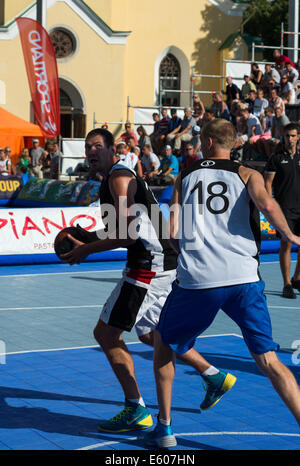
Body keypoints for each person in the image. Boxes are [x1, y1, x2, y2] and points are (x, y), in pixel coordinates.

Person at [60, 127, 235, 434]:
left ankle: (135, 408)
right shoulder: (115, 178)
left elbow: (127, 236)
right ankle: (213, 375)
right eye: (88, 147)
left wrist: (85, 249)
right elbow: (128, 228)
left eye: (97, 146)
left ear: (112, 150)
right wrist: (90, 237)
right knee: (149, 334)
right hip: (160, 262)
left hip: (148, 266)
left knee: (106, 334)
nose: (91, 151)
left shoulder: (118, 178)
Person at [145, 119, 300, 448]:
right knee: (270, 360)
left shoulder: (185, 176)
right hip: (244, 278)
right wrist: (290, 235)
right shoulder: (248, 174)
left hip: (199, 280)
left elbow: (172, 233)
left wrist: (185, 251)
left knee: (163, 344)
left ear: (208, 142)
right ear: (233, 144)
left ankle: (165, 429)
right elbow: (268, 205)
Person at [264, 122, 300, 299]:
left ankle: (297, 278)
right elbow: (268, 184)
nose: (290, 139)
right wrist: (270, 205)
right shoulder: (276, 158)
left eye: (293, 135)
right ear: (283, 137)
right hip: (284, 208)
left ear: (298, 137)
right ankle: (287, 283)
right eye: (287, 136)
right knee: (286, 244)